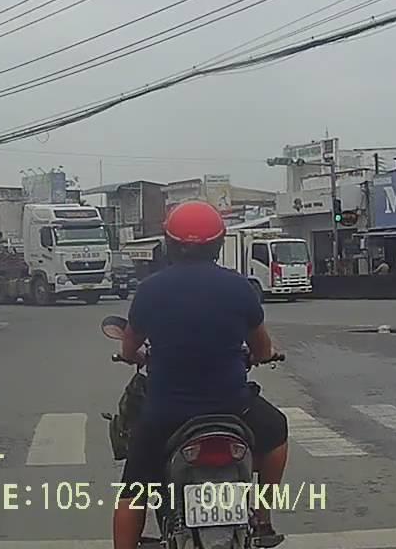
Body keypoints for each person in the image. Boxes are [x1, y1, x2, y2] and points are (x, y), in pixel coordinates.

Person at [113, 200, 289, 549]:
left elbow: (129, 347)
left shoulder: (150, 289)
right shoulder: (239, 287)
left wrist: (135, 355)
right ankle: (262, 517)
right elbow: (262, 347)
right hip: (232, 407)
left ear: (169, 242)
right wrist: (262, 355)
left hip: (166, 413)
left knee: (133, 489)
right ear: (219, 244)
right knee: (277, 430)